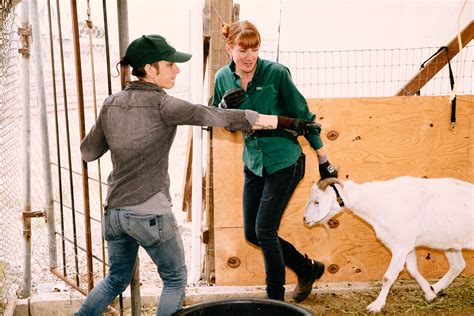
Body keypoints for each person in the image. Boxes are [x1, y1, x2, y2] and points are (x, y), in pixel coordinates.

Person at [76, 34, 321, 316]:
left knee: (115, 279)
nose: (177, 69)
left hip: (115, 214)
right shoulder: (164, 105)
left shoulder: (110, 104)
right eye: (170, 64)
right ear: (150, 68)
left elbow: (88, 152)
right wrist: (289, 122)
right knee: (175, 279)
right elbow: (219, 117)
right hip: (150, 212)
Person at [212, 21, 338, 302]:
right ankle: (307, 268)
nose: (249, 57)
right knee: (252, 233)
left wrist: (323, 158)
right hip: (254, 162)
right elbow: (215, 116)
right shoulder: (223, 77)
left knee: (265, 230)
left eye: (255, 49)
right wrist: (222, 109)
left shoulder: (276, 74)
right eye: (242, 50)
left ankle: (274, 302)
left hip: (285, 161)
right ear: (229, 48)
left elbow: (305, 119)